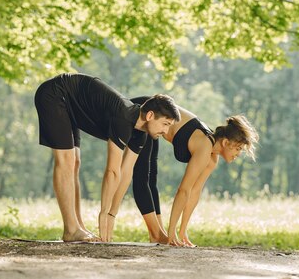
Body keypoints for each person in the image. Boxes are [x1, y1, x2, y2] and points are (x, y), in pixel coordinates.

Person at [34, 73, 180, 242]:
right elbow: (112, 171)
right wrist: (103, 211)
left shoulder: (140, 134)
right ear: (149, 116)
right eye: (165, 124)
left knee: (75, 162)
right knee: (66, 160)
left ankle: (78, 226)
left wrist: (112, 213)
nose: (166, 132)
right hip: (55, 94)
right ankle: (71, 229)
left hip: (71, 107)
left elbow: (125, 173)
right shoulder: (123, 117)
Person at [106, 96, 259, 246]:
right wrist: (172, 230)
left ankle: (160, 235)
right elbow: (183, 191)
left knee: (151, 179)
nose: (238, 154)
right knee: (143, 177)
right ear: (225, 142)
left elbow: (194, 192)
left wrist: (182, 231)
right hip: (147, 114)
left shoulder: (212, 158)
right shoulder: (204, 147)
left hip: (155, 125)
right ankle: (157, 234)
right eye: (238, 148)